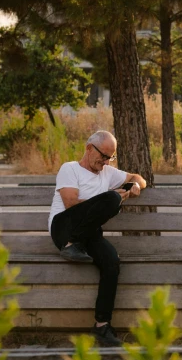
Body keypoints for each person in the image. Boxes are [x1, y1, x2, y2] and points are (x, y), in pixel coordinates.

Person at [48, 129, 146, 346]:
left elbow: (136, 177)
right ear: (89, 148)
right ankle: (70, 245)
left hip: (88, 234)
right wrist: (107, 200)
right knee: (112, 199)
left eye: (110, 157)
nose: (106, 162)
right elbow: (70, 204)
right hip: (63, 228)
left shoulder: (107, 173)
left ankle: (102, 326)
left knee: (111, 260)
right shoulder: (70, 169)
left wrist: (137, 185)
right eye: (103, 156)